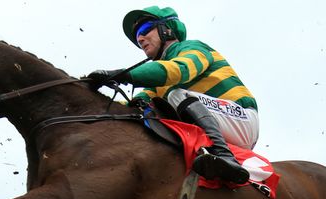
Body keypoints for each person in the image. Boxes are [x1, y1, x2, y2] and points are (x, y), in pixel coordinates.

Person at [87, 6, 259, 185]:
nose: (140, 38)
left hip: (241, 119)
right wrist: (93, 100)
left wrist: (122, 74)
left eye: (145, 29)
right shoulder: (158, 84)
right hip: (218, 122)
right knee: (145, 111)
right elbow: (133, 104)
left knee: (176, 95)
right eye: (138, 37)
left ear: (167, 29)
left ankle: (224, 156)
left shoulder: (191, 47)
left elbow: (178, 70)